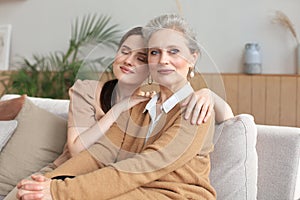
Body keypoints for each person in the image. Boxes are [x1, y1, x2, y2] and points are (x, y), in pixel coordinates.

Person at [16, 15, 233, 199]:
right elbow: (99, 155)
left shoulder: (196, 110)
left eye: (174, 51)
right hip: (137, 190)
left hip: (177, 195)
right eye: (155, 52)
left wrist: (58, 191)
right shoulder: (139, 107)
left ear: (192, 58)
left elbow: (146, 166)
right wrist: (46, 181)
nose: (163, 60)